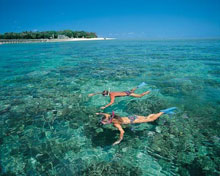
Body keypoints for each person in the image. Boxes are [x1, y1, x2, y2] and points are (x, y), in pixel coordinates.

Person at [96, 107, 177, 145]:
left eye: (104, 122)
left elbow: (122, 131)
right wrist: (99, 113)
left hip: (134, 120)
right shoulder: (111, 116)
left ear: (108, 121)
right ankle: (165, 112)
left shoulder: (116, 123)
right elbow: (105, 114)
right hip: (132, 116)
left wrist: (119, 140)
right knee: (147, 117)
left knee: (151, 120)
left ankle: (162, 112)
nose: (103, 123)